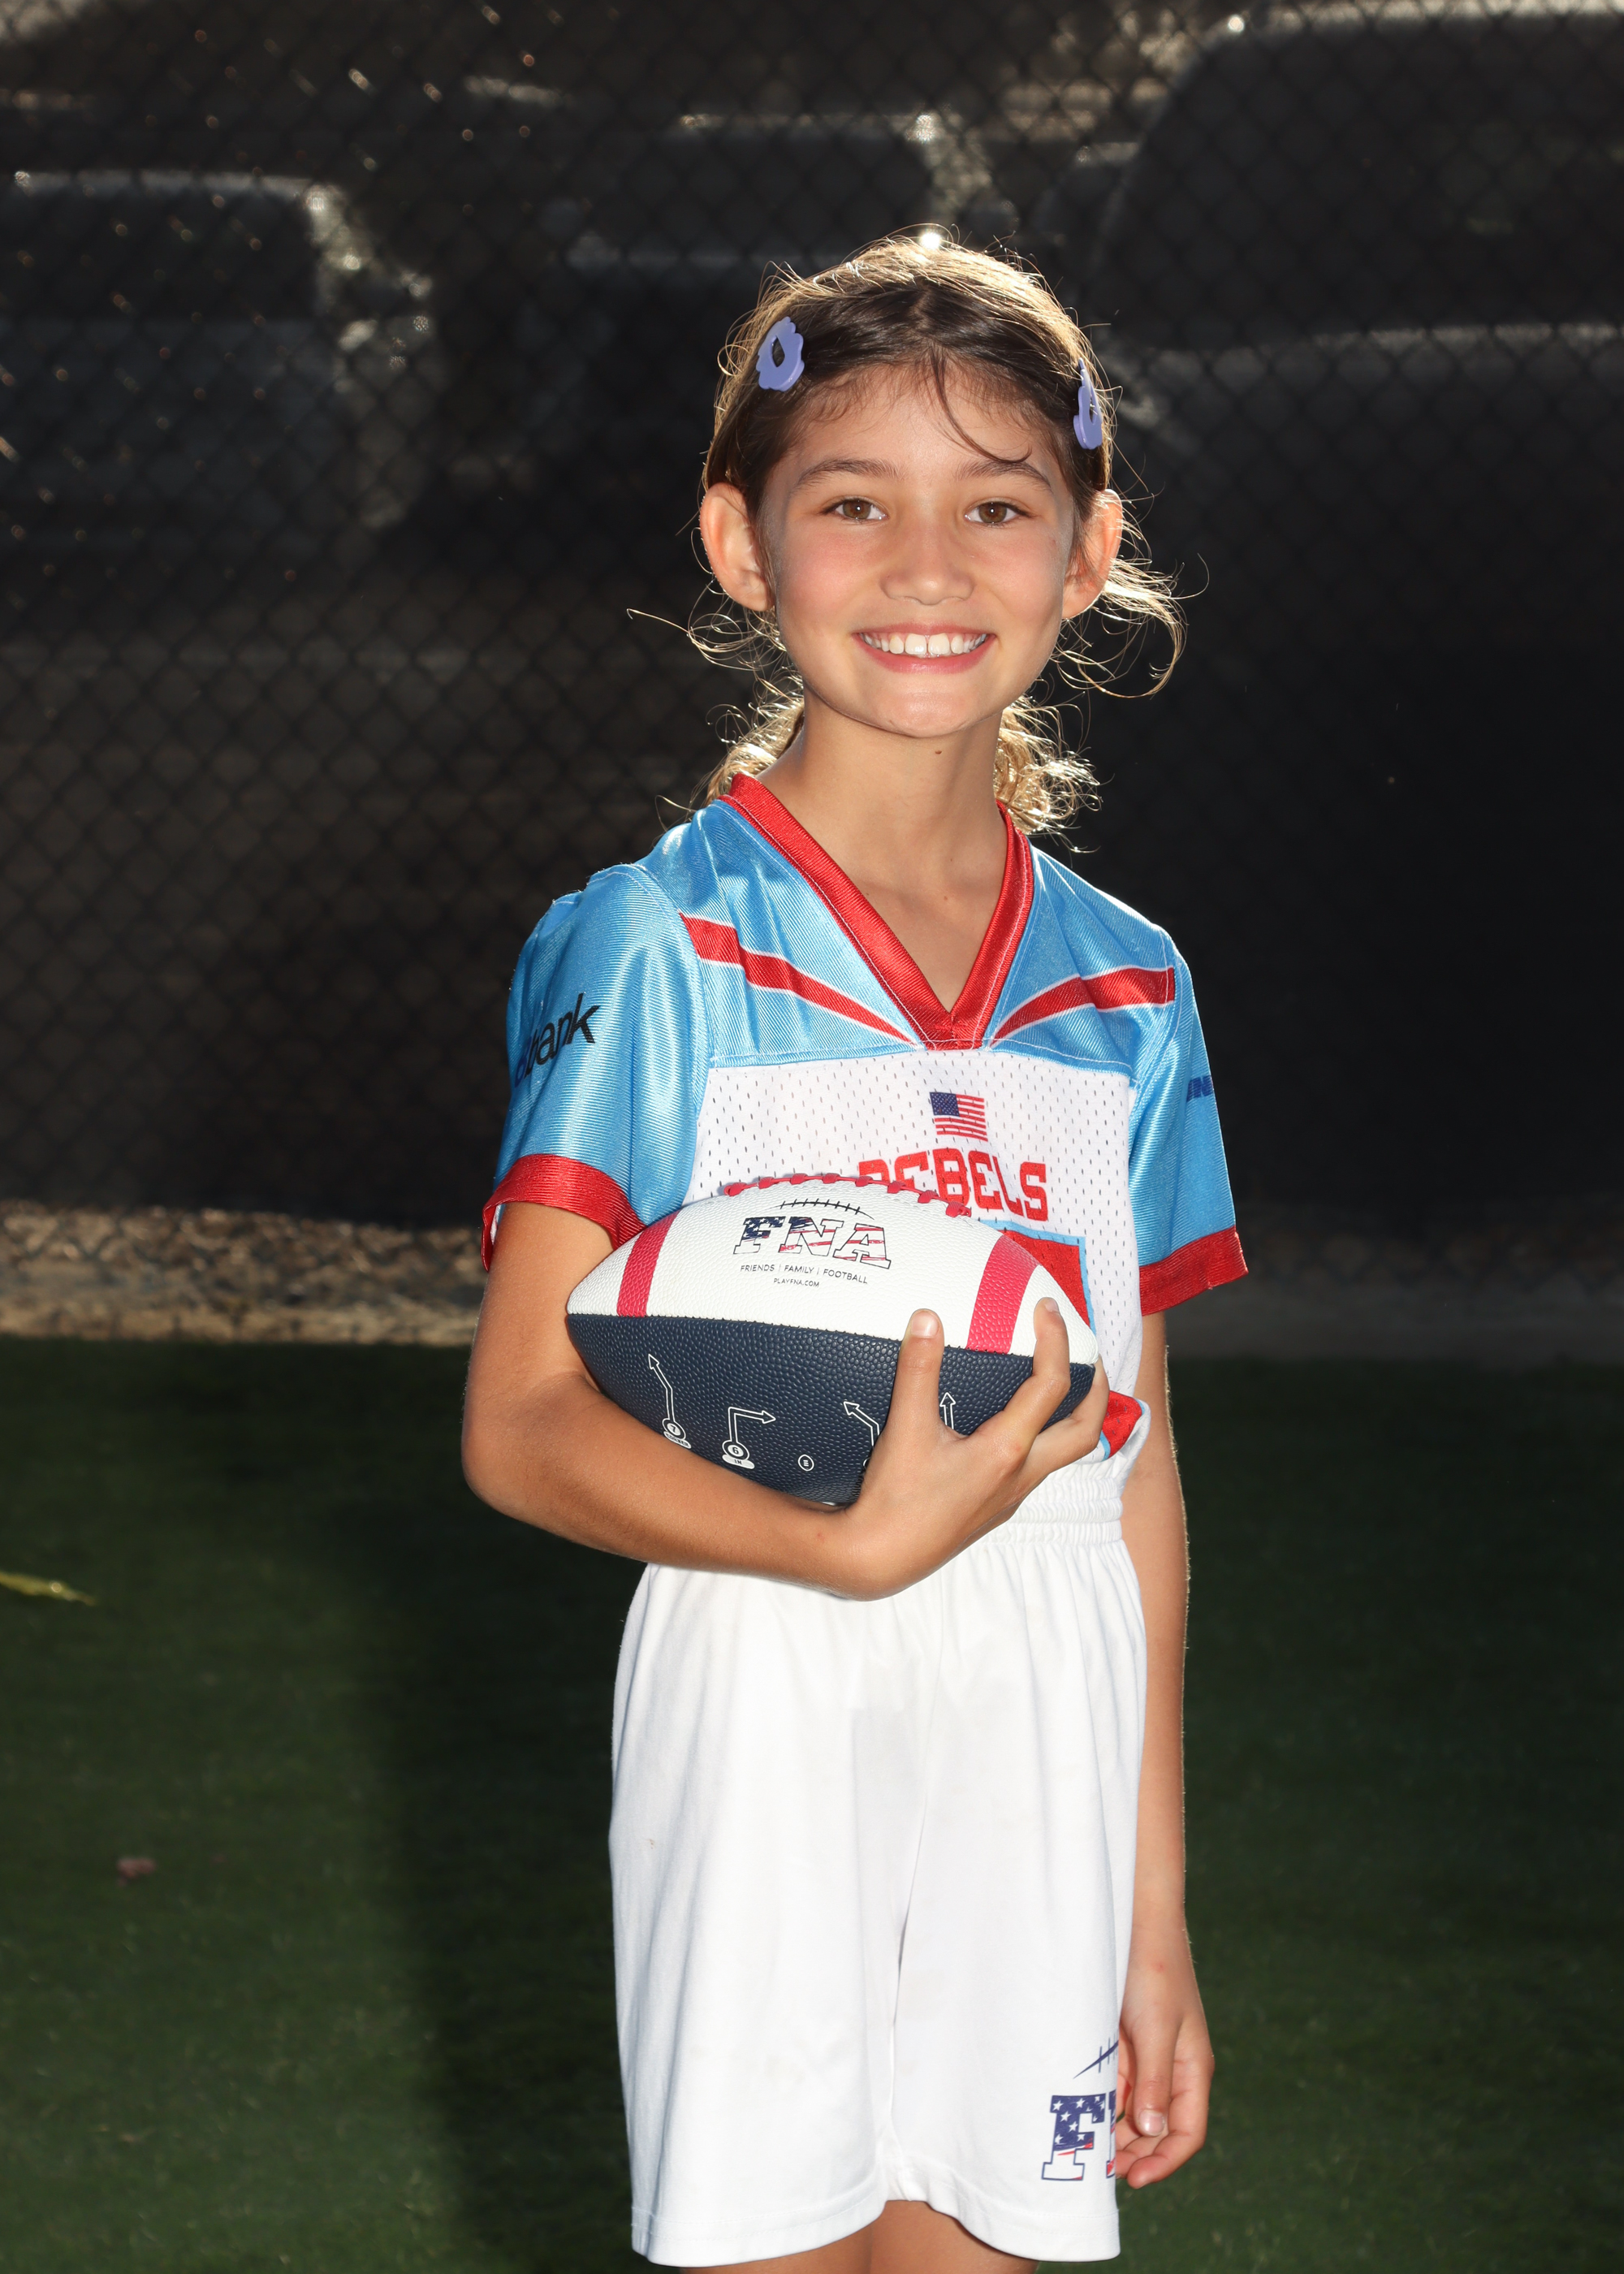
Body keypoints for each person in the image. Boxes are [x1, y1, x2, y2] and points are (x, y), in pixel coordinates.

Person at [462, 236, 1246, 2273]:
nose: (926, 563)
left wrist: (1148, 1904)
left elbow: (1135, 1469)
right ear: (743, 544)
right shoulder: (659, 945)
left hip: (1046, 1709)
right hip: (772, 1659)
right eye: (852, 502)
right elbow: (522, 1422)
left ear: (1087, 554)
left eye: (995, 506)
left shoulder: (1129, 986)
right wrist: (846, 1547)